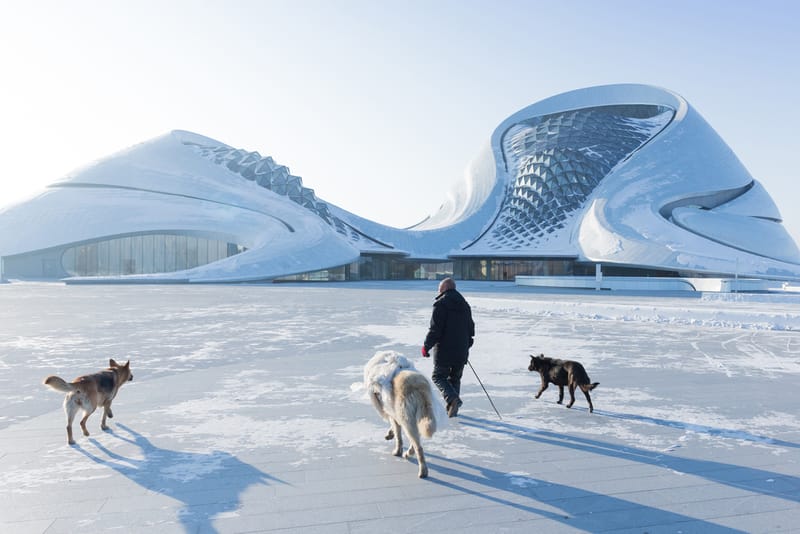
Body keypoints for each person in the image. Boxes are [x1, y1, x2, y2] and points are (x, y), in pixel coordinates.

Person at [421, 277, 475, 417]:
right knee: (455, 378)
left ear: (445, 288)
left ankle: (452, 399)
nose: (438, 290)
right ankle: (452, 407)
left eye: (439, 288)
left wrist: (426, 346)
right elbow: (471, 329)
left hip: (444, 351)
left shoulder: (441, 304)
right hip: (461, 350)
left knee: (438, 376)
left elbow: (435, 330)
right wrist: (466, 345)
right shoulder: (465, 305)